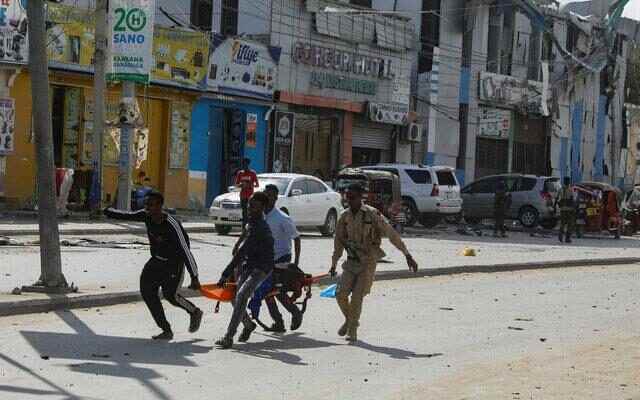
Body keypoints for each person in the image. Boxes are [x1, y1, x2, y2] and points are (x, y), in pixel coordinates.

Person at [104, 191, 203, 341]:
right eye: (146, 205)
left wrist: (194, 276)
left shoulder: (172, 224)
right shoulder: (146, 215)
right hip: (156, 261)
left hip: (173, 264)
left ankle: (194, 311)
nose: (147, 208)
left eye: (150, 205)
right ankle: (166, 329)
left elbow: (185, 250)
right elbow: (125, 215)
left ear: (160, 206)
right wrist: (107, 211)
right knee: (147, 292)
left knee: (170, 296)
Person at [329, 184, 418, 342]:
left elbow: (391, 233)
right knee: (340, 294)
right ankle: (350, 320)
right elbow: (338, 242)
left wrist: (407, 254)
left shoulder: (372, 214)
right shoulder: (344, 217)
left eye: (353, 197)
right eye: (347, 197)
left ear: (360, 198)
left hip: (368, 262)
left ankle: (353, 329)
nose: (349, 201)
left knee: (357, 297)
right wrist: (334, 264)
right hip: (351, 262)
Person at [216, 192, 274, 349]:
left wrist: (225, 273)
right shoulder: (251, 222)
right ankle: (248, 324)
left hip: (261, 268)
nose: (249, 208)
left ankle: (228, 337)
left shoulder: (260, 227)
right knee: (234, 297)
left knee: (241, 295)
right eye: (249, 204)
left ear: (262, 207)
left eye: (253, 206)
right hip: (249, 265)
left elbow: (242, 252)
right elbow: (243, 242)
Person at [242, 184, 303, 333]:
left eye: (270, 196)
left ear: (275, 199)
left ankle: (294, 313)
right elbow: (248, 232)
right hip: (265, 258)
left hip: (281, 258)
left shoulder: (282, 218)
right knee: (267, 291)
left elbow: (296, 238)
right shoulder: (259, 215)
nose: (267, 198)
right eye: (266, 195)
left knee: (272, 290)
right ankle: (279, 322)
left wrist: (294, 263)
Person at [235, 158, 259, 229]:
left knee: (250, 212)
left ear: (248, 164)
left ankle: (251, 226)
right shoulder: (240, 173)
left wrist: (250, 185)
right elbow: (236, 184)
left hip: (250, 196)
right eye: (243, 164)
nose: (244, 166)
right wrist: (241, 185)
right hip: (243, 196)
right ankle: (244, 227)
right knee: (244, 212)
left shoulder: (252, 173)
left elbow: (257, 185)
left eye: (245, 164)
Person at [555, 177, 577, 243]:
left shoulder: (560, 189)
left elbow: (557, 199)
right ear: (569, 182)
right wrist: (574, 208)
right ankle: (567, 238)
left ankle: (560, 236)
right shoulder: (571, 190)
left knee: (562, 223)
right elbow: (573, 199)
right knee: (570, 224)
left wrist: (555, 207)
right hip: (570, 209)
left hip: (562, 209)